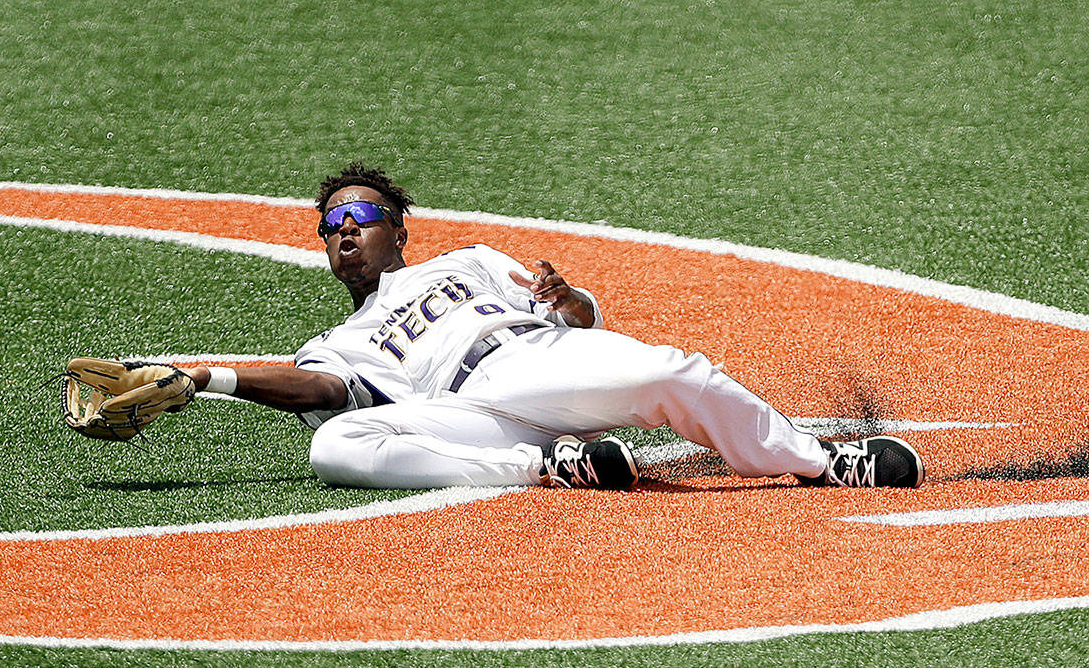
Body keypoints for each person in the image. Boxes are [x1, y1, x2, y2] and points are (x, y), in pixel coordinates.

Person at [184, 162, 925, 490]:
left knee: (672, 373)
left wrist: (571, 303)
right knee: (334, 444)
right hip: (467, 415)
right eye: (331, 224)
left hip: (530, 359)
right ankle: (550, 468)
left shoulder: (467, 260)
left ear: (399, 231)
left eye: (362, 216)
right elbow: (319, 387)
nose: (345, 230)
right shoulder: (333, 343)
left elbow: (575, 314)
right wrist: (203, 378)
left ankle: (818, 462)